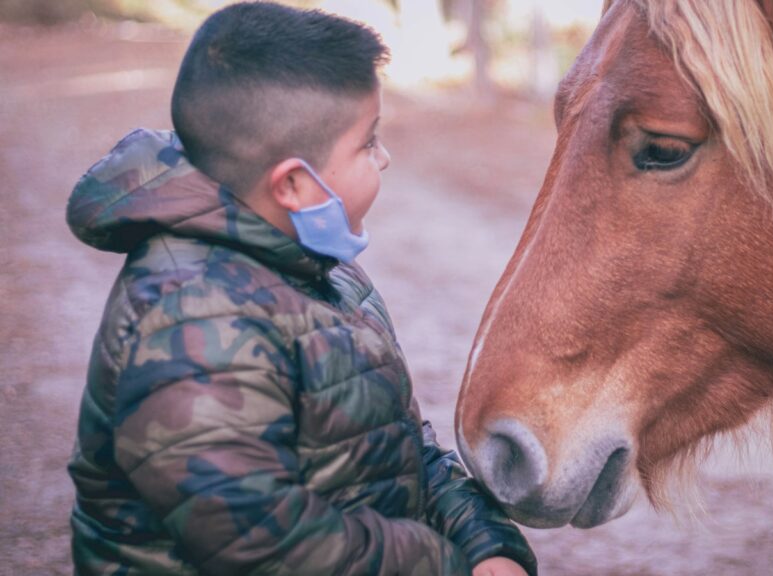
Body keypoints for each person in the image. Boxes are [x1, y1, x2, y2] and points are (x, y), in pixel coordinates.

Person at [64, 3, 536, 575]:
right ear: (292, 183)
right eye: (368, 143)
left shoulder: (316, 264)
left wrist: (485, 544)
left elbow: (396, 445)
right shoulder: (188, 320)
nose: (384, 159)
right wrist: (443, 565)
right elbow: (262, 544)